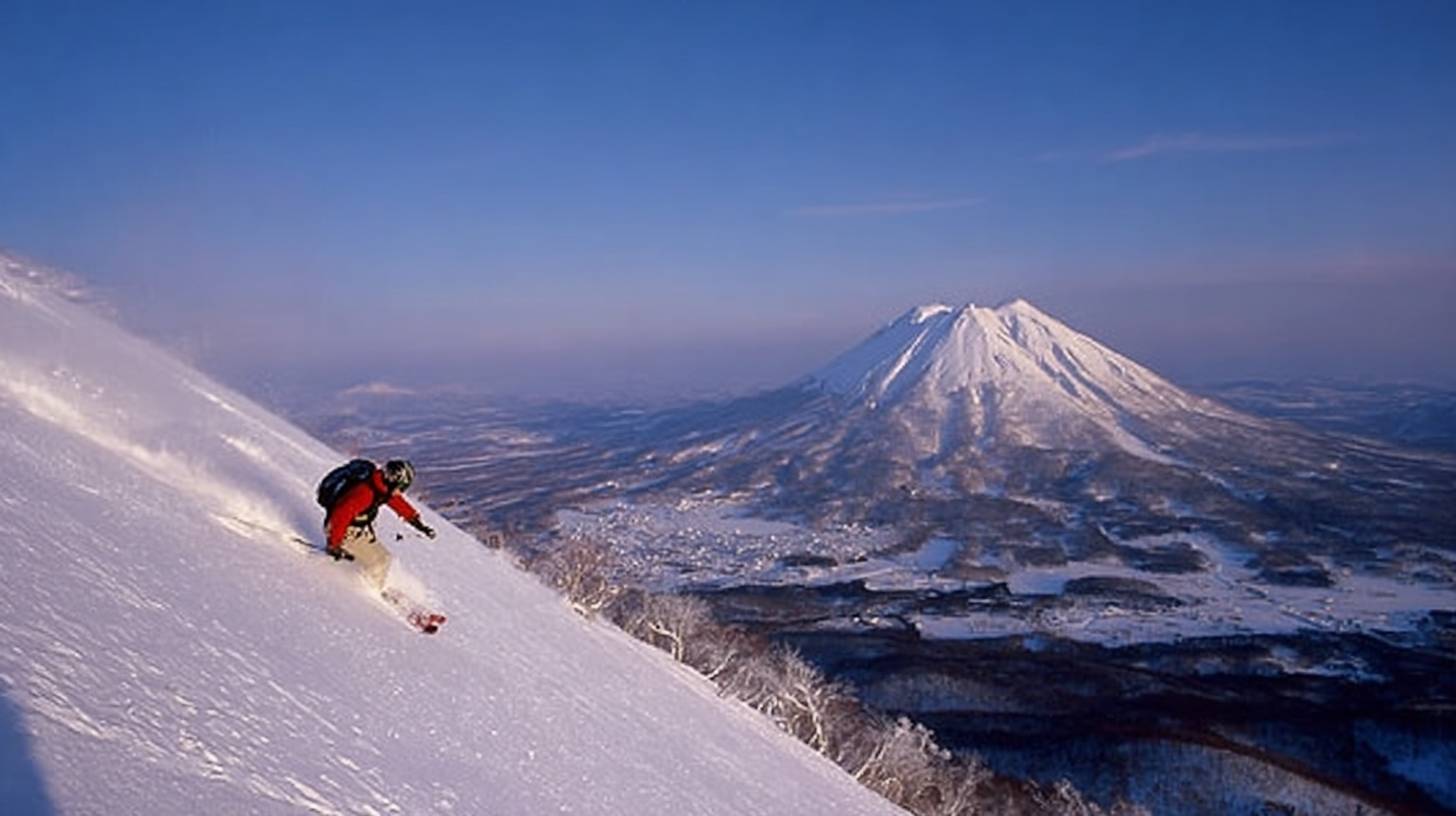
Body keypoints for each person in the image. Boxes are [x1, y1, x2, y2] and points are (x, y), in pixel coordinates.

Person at [323, 459, 435, 590]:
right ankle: (369, 593)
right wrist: (334, 545)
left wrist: (416, 521)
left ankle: (372, 584)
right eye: (401, 488)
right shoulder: (366, 493)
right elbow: (340, 515)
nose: (401, 492)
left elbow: (398, 503)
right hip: (345, 532)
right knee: (380, 562)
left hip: (353, 529)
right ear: (394, 482)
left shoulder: (380, 486)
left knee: (384, 558)